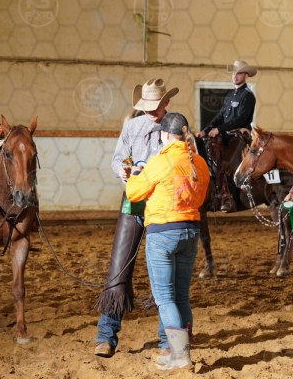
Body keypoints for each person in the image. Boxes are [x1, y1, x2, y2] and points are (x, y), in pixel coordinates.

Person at [93, 78, 179, 358]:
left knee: (164, 273)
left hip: (163, 205)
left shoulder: (176, 128)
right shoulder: (132, 126)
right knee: (118, 266)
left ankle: (166, 340)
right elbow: (117, 159)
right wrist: (122, 171)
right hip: (133, 200)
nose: (151, 111)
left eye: (156, 105)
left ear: (166, 102)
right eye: (147, 106)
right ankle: (106, 335)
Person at [126, 112, 210, 370]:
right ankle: (182, 351)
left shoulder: (159, 162)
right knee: (181, 295)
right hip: (190, 232)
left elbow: (133, 192)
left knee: (164, 298)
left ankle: (180, 355)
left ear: (164, 135)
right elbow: (200, 198)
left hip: (162, 233)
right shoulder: (200, 163)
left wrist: (134, 174)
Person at [197, 60, 257, 212]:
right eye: (234, 73)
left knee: (226, 163)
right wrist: (205, 130)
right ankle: (214, 191)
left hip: (239, 136)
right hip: (225, 136)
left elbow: (240, 119)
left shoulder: (248, 96)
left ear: (246, 75)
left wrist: (219, 129)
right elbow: (220, 116)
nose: (235, 76)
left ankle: (229, 198)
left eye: (239, 73)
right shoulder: (230, 96)